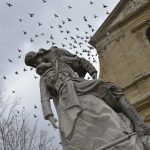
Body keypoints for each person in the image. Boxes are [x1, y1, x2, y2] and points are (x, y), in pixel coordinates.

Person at [25, 47, 150, 149]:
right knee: (103, 86)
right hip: (66, 92)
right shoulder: (43, 78)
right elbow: (44, 98)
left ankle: (138, 123)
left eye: (36, 61)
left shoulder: (58, 59)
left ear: (39, 55)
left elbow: (80, 61)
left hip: (78, 83)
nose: (37, 65)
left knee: (106, 86)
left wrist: (93, 72)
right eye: (34, 65)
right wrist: (49, 115)